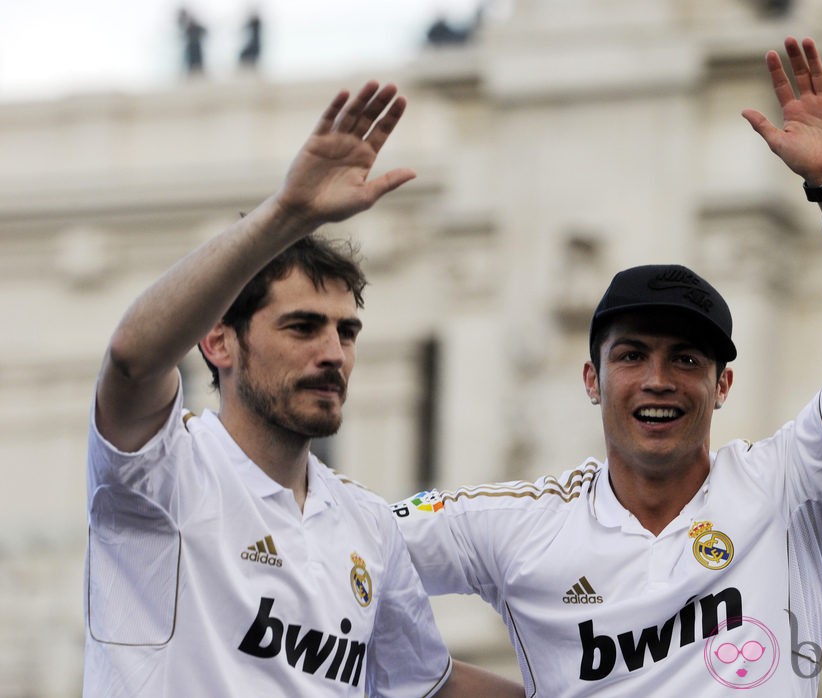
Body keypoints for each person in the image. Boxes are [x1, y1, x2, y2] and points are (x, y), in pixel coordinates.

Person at [391, 37, 822, 696]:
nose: (657, 380)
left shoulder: (788, 487)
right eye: (631, 355)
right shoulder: (523, 524)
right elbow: (348, 550)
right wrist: (435, 680)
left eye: (686, 358)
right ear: (591, 380)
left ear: (722, 385)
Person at [85, 81, 523, 697]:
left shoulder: (366, 523)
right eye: (302, 327)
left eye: (346, 332)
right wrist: (288, 214)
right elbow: (131, 360)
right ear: (219, 343)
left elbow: (432, 687)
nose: (332, 353)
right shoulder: (161, 472)